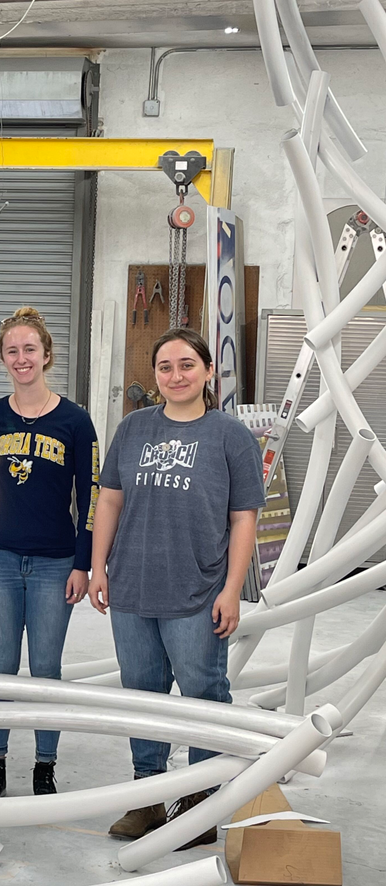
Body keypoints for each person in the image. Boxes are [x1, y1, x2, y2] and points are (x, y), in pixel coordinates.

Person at [88, 326, 264, 847]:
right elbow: (111, 501)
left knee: (202, 694)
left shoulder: (229, 435)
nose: (176, 375)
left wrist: (231, 589)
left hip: (198, 590)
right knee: (141, 696)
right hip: (133, 587)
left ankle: (200, 799)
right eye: (165, 367)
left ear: (208, 371)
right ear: (155, 375)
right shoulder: (134, 428)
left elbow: (244, 518)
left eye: (187, 365)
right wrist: (100, 567)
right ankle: (147, 795)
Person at [0, 307, 100, 798]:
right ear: (3, 359)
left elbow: (90, 496)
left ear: (47, 355)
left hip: (54, 562)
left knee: (46, 668)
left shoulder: (75, 421)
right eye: (12, 351)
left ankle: (45, 764)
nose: (22, 359)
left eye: (30, 350)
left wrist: (84, 563)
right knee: (0, 666)